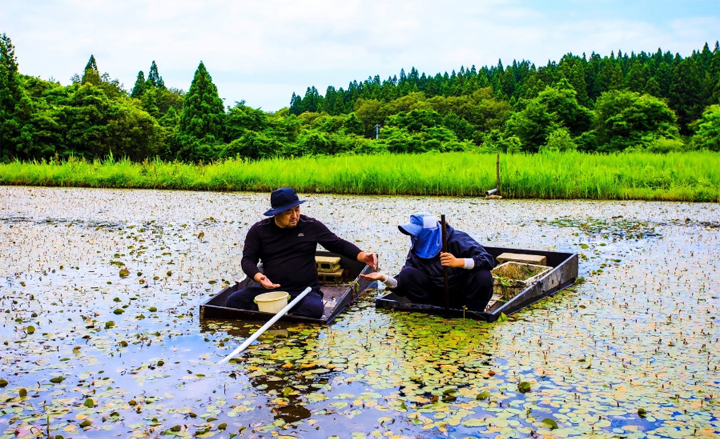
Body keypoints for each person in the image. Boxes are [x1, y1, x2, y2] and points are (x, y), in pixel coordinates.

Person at [226, 187, 377, 318]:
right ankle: (277, 314)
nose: (295, 216)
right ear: (276, 213)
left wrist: (363, 256)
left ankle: (288, 320)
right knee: (234, 301)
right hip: (271, 290)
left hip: (304, 291)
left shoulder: (310, 226)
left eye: (297, 209)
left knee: (314, 310)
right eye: (288, 212)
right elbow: (247, 260)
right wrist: (260, 277)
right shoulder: (259, 231)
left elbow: (337, 244)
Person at [361, 212, 495, 312]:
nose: (414, 237)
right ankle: (432, 311)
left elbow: (488, 259)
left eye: (417, 234)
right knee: (407, 274)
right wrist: (384, 278)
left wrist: (459, 262)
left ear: (429, 233)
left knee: (483, 276)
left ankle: (474, 313)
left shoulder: (456, 239)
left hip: (463, 293)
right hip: (436, 297)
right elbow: (402, 287)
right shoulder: (418, 248)